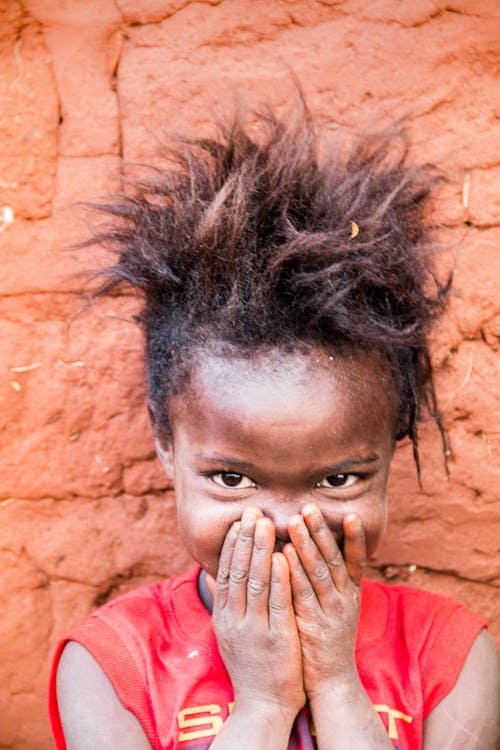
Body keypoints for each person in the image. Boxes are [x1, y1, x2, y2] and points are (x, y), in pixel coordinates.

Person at [48, 105, 500, 750]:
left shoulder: (449, 654)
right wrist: (263, 703)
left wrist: (338, 683)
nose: (284, 524)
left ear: (395, 437)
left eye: (338, 478)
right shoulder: (111, 665)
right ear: (165, 442)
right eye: (232, 478)